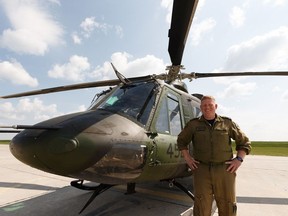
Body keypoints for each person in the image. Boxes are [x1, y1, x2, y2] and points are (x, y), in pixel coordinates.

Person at [177, 95, 251, 216]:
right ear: (201, 108)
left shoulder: (227, 123)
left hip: (225, 170)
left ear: (215, 107)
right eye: (204, 105)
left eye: (210, 105)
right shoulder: (193, 125)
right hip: (202, 170)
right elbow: (181, 141)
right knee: (201, 204)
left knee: (227, 203)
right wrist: (187, 158)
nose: (207, 108)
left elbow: (244, 143)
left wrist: (238, 159)